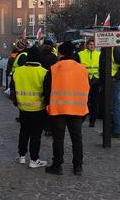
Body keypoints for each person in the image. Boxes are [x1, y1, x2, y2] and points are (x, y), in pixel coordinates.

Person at [44, 41, 89, 176]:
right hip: (78, 109)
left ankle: (57, 166)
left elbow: (47, 90)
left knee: (58, 139)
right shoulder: (82, 69)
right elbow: (88, 88)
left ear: (61, 53)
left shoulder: (54, 68)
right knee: (77, 139)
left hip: (58, 109)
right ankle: (78, 167)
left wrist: (48, 105)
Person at [11, 46, 48, 168]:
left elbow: (12, 89)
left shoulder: (19, 71)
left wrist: (17, 102)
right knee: (36, 134)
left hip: (23, 107)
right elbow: (47, 92)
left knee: (24, 132)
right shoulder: (44, 72)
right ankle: (34, 159)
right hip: (39, 108)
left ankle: (22, 156)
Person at [99, 44, 120, 138]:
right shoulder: (107, 48)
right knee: (109, 106)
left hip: (114, 81)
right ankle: (111, 129)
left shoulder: (115, 48)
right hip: (109, 81)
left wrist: (116, 76)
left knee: (114, 106)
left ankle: (117, 130)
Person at [78, 39, 101, 127]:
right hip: (84, 79)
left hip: (96, 79)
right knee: (84, 100)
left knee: (94, 102)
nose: (92, 46)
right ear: (87, 45)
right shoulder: (81, 54)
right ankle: (82, 118)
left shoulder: (99, 54)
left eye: (93, 44)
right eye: (90, 44)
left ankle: (92, 120)